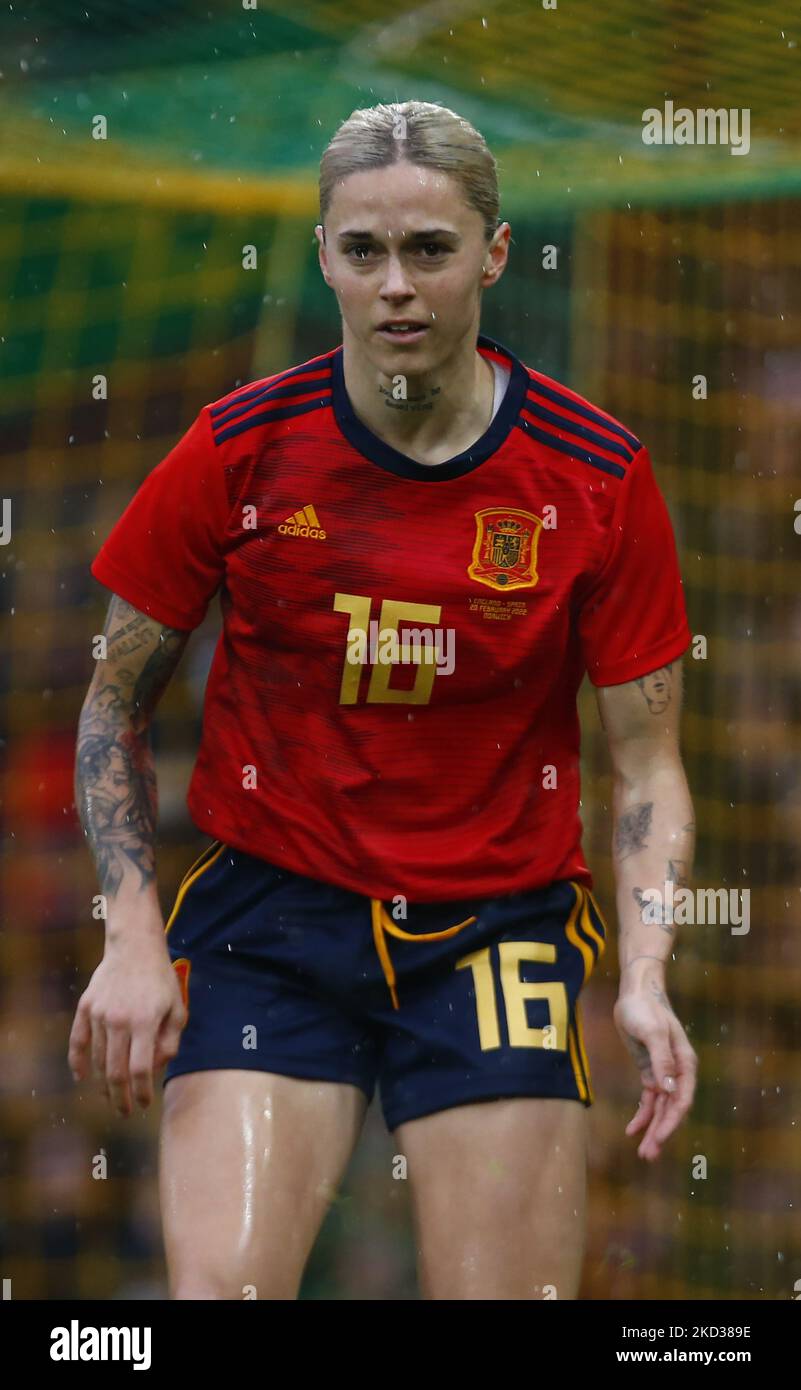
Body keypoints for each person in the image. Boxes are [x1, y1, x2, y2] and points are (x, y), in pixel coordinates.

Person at [70, 100, 698, 1301]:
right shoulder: (236, 450)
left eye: (430, 249)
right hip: (270, 926)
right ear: (323, 259)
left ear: (494, 255)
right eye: (364, 251)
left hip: (497, 932)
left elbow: (650, 762)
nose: (396, 285)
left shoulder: (596, 474)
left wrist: (649, 972)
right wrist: (133, 932)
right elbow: (112, 704)